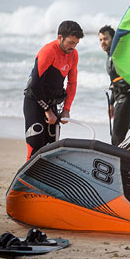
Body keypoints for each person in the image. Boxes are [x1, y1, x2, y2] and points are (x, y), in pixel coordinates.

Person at [23, 20, 84, 159]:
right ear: (60, 37)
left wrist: (66, 109)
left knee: (51, 146)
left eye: (76, 44)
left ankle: (45, 179)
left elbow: (72, 83)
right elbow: (35, 85)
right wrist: (47, 111)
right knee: (36, 143)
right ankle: (28, 178)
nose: (73, 47)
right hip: (35, 101)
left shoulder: (73, 55)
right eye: (70, 42)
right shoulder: (48, 51)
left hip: (52, 102)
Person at [98, 25, 130, 146]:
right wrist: (111, 103)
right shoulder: (110, 57)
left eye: (105, 39)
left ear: (113, 38)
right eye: (100, 40)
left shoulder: (119, 56)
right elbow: (114, 81)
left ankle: (120, 163)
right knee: (118, 138)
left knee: (117, 138)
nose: (103, 42)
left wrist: (119, 86)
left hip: (126, 100)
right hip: (123, 101)